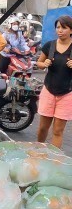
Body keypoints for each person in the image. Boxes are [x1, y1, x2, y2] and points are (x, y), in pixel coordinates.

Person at [35, 15, 72, 149]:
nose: (60, 30)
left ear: (71, 30)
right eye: (58, 27)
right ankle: (38, 150)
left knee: (57, 131)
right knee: (43, 128)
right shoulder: (50, 45)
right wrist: (43, 64)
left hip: (67, 94)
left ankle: (54, 158)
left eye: (64, 28)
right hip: (49, 90)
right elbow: (38, 63)